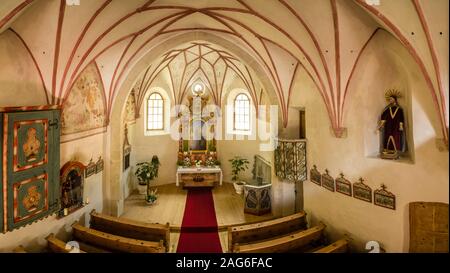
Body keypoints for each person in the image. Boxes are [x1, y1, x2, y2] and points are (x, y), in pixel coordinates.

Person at [376, 89, 406, 159]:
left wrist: (401, 126)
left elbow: (401, 118)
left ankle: (396, 152)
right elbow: (383, 118)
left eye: (391, 99)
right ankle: (387, 152)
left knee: (395, 138)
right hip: (388, 127)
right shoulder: (387, 110)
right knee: (388, 138)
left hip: (396, 127)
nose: (390, 100)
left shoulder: (399, 109)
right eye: (389, 99)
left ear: (395, 99)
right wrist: (379, 126)